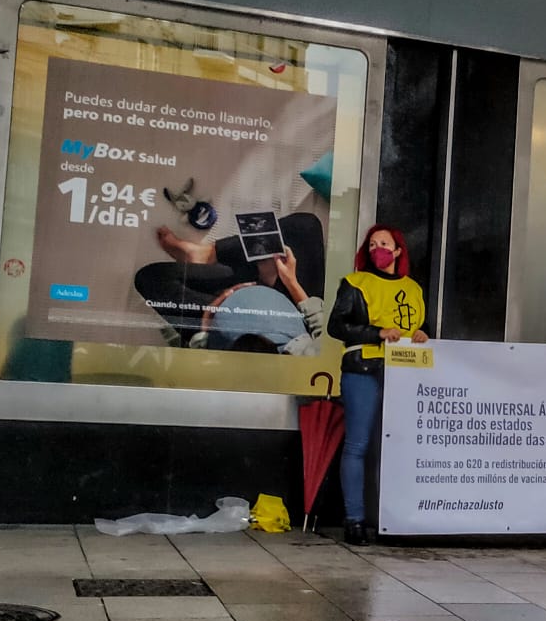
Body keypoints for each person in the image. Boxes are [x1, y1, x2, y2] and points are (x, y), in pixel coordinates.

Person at [326, 225, 429, 546]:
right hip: (364, 369)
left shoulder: (414, 289)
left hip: (404, 373)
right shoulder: (355, 283)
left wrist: (423, 334)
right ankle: (355, 520)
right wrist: (376, 333)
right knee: (358, 445)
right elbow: (336, 326)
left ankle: (392, 518)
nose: (377, 249)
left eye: (383, 243)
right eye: (372, 244)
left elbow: (416, 327)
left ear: (398, 250)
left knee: (397, 448)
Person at [136, 211, 326, 349]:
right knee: (305, 225)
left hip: (226, 320)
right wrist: (290, 281)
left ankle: (249, 271)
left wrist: (207, 325)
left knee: (151, 278)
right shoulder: (316, 361)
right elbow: (320, 330)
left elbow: (204, 359)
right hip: (289, 309)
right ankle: (208, 254)